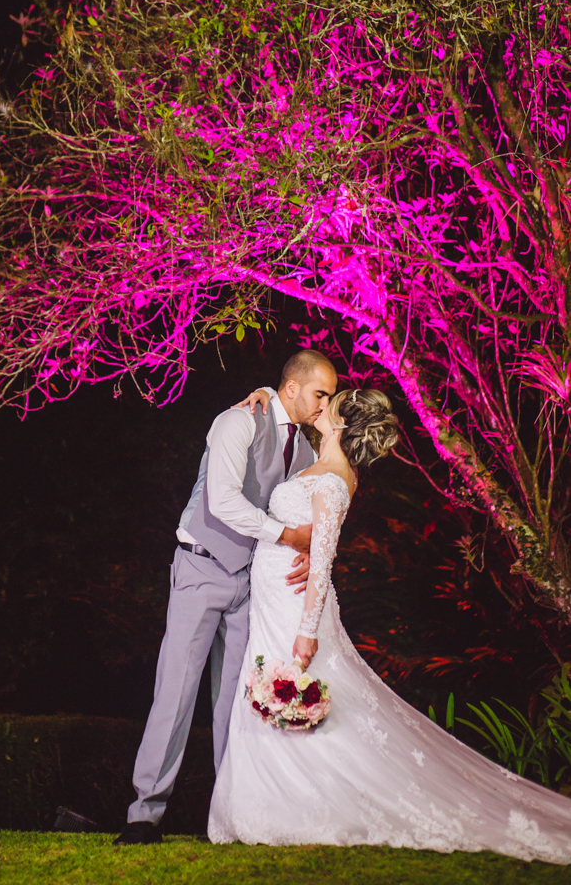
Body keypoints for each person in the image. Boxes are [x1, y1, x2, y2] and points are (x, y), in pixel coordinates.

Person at [208, 388, 571, 864]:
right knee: (278, 694)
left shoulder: (336, 480)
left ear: (340, 423)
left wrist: (307, 634)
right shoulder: (317, 466)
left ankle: (300, 804)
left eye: (329, 404)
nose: (321, 407)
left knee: (302, 692)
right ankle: (272, 798)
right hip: (273, 599)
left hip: (297, 608)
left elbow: (322, 564)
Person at [114, 349, 338, 845]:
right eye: (320, 393)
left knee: (236, 703)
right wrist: (288, 537)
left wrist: (307, 552)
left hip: (252, 585)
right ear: (293, 387)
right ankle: (143, 815)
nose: (325, 403)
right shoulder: (237, 421)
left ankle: (230, 815)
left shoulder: (303, 451)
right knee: (176, 692)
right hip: (201, 567)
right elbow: (224, 501)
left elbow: (313, 507)